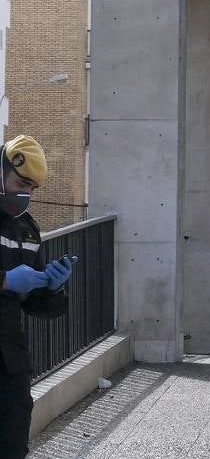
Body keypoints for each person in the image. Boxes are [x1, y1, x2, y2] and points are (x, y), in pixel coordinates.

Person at [1, 135, 75, 459]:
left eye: (31, 189)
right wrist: (3, 282)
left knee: (13, 448)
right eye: (20, 183)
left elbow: (33, 304)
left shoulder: (27, 230)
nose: (25, 194)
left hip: (9, 365)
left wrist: (53, 287)